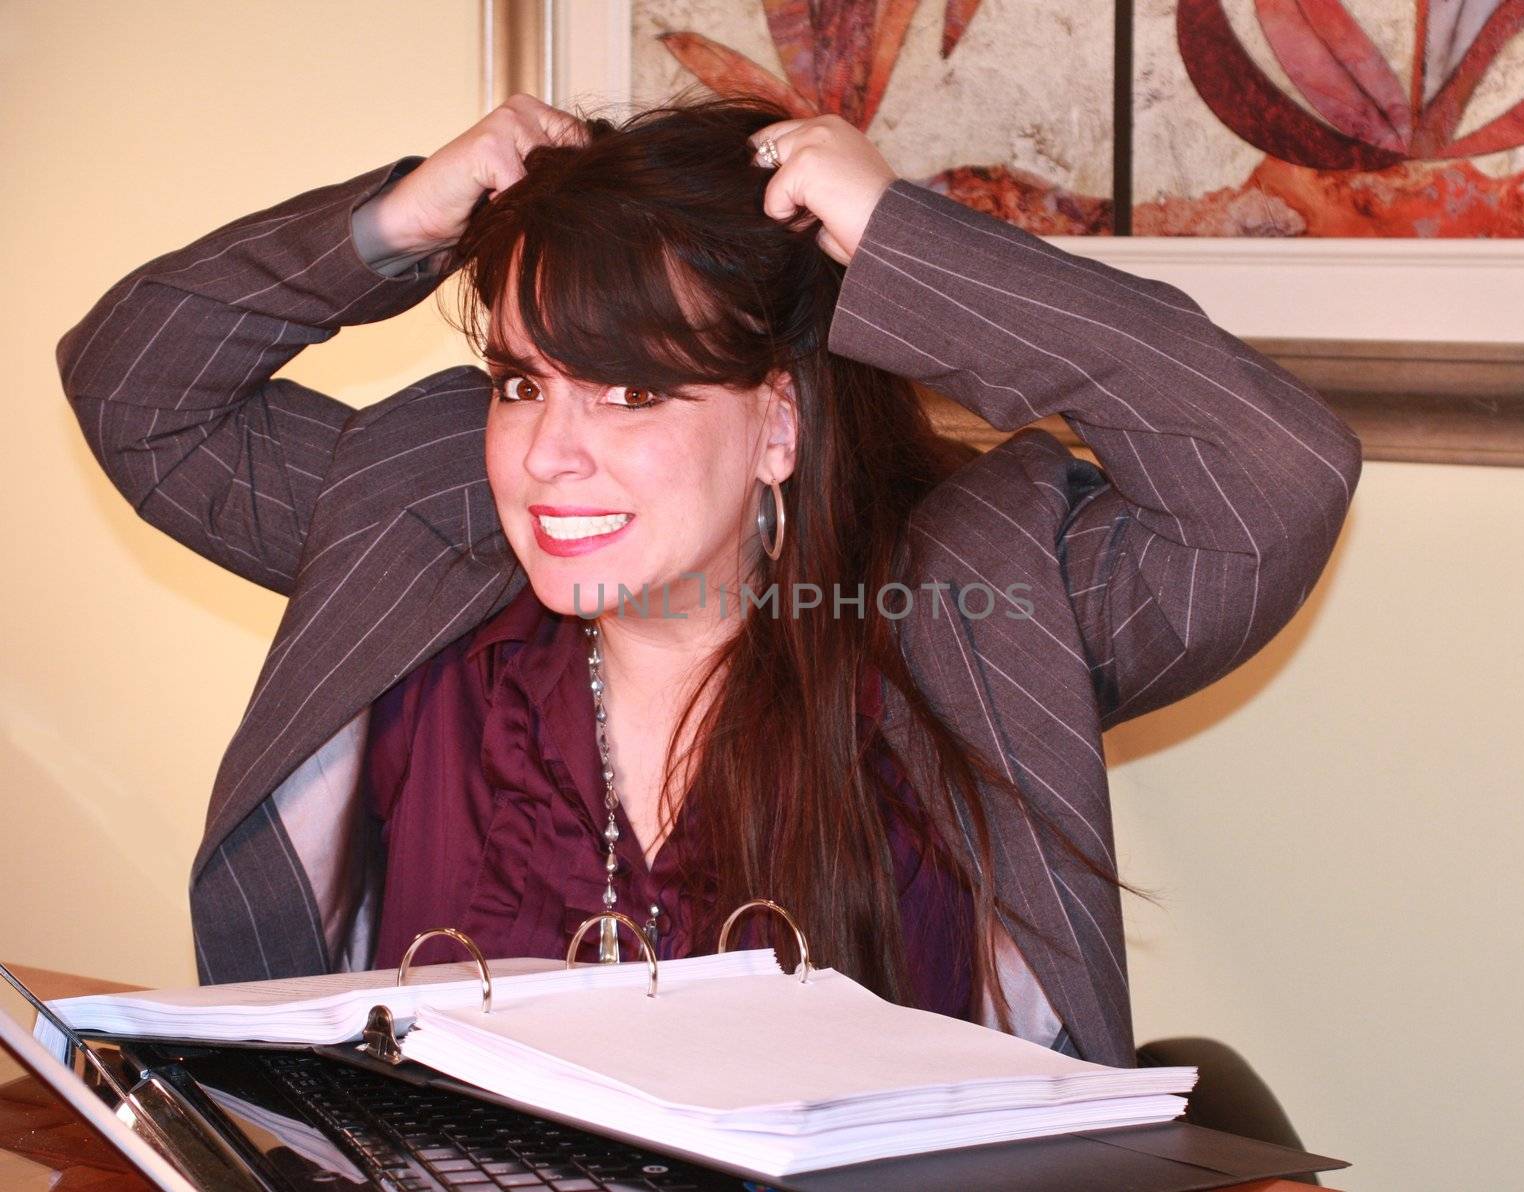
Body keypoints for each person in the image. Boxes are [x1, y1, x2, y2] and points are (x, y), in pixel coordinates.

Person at [56, 92, 1362, 1068]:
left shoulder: (975, 617)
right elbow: (137, 387)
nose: (550, 457)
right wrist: (394, 222)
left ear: (779, 422)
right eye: (522, 381)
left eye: (634, 389)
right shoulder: (423, 557)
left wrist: (907, 245)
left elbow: (1272, 477)